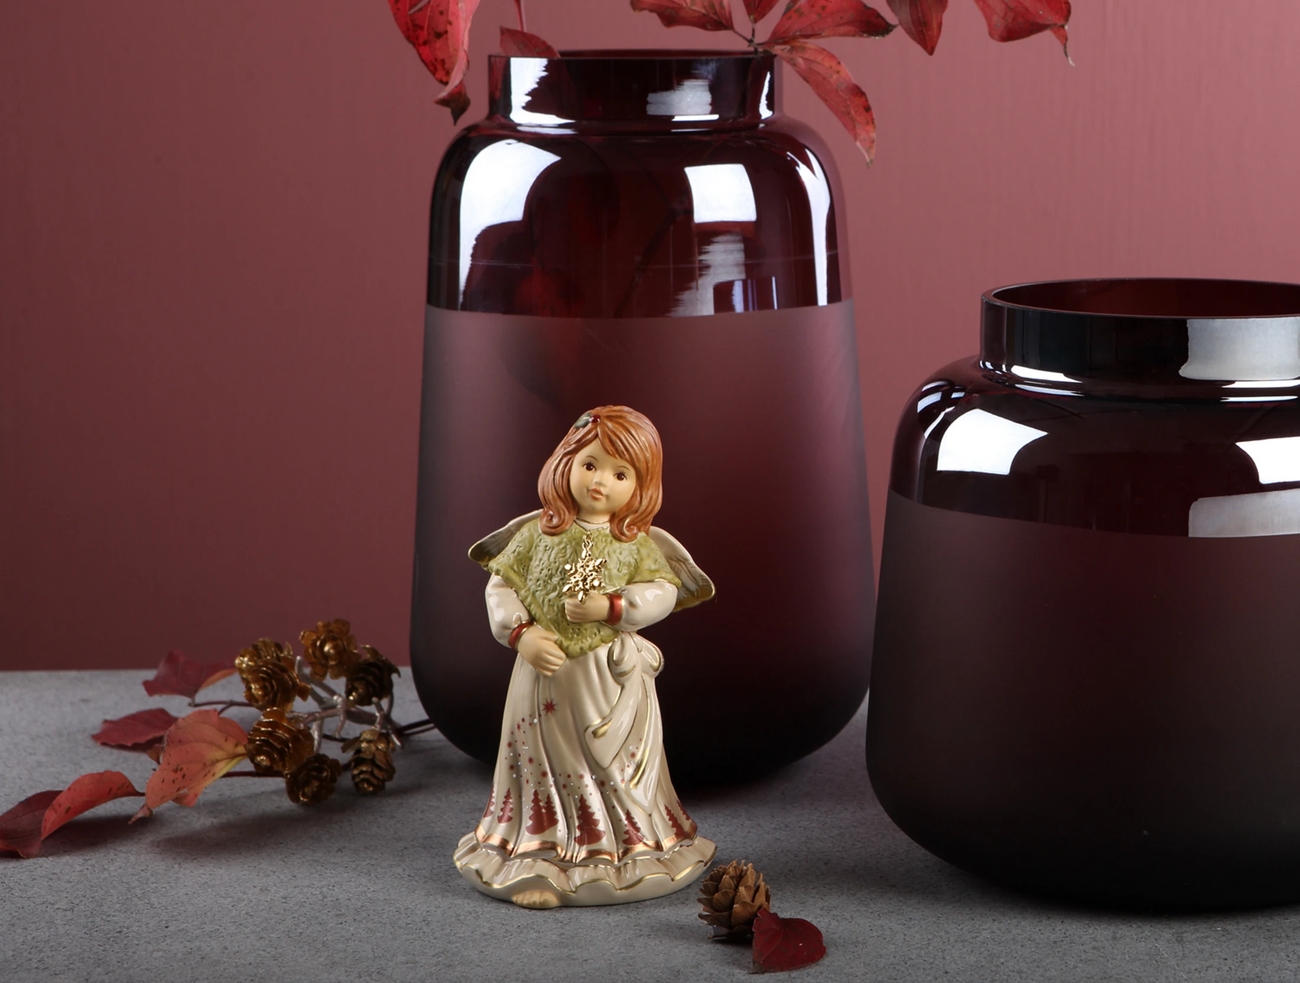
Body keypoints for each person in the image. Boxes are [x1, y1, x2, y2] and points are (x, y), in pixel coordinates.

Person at [453, 405, 716, 908]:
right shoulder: (536, 534)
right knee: (544, 762)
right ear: (566, 461)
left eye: (621, 474)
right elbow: (501, 588)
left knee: (613, 762)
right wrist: (522, 634)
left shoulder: (635, 542)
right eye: (590, 464)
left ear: (639, 487)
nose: (601, 482)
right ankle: (541, 853)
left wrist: (614, 606)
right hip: (543, 675)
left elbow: (662, 590)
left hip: (608, 675)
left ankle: (626, 846)